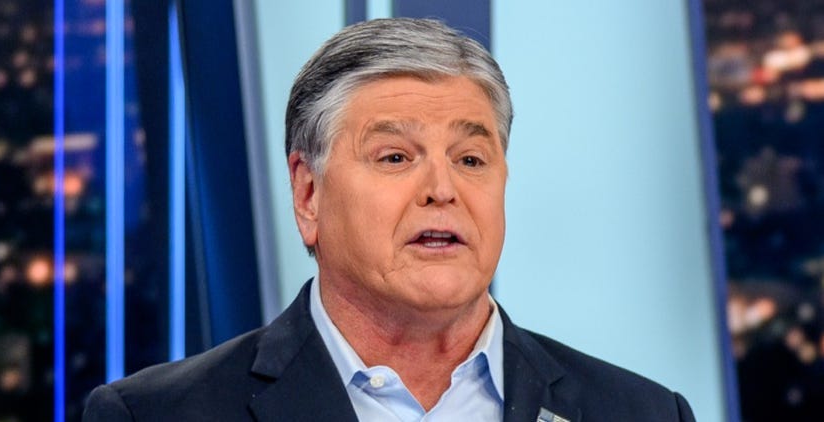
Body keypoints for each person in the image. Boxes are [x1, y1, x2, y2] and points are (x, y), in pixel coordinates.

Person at [83, 18, 696, 421]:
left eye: (470, 159)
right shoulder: (153, 415)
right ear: (308, 194)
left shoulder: (643, 412)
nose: (442, 190)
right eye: (395, 157)